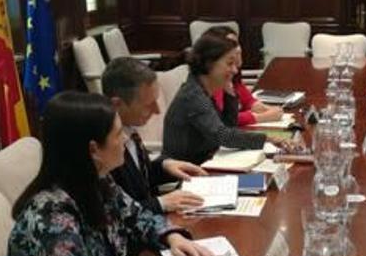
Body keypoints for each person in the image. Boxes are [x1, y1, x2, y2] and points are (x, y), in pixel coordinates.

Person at [9, 92, 226, 256]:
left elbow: (137, 216)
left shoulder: (98, 180)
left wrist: (171, 235)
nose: (125, 140)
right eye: (117, 134)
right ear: (93, 149)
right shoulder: (50, 213)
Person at [162, 33, 289, 165]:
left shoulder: (204, 90)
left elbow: (229, 126)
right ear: (209, 63)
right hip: (187, 174)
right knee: (257, 181)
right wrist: (268, 138)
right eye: (229, 63)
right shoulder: (193, 95)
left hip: (209, 163)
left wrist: (230, 95)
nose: (235, 70)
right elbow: (223, 136)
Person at [104, 57, 208, 213]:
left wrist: (165, 166)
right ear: (117, 104)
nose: (157, 111)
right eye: (148, 104)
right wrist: (160, 203)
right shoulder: (104, 146)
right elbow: (114, 214)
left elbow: (140, 178)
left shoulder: (130, 129)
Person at [203, 26, 284, 126]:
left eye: (237, 44)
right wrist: (261, 117)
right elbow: (222, 119)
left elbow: (247, 100)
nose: (237, 49)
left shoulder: (231, 76)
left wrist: (264, 108)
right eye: (230, 46)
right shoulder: (212, 81)